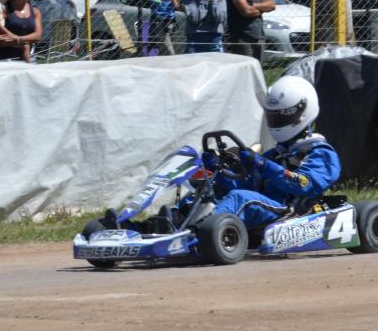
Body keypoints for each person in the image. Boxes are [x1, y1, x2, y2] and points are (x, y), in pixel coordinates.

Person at [103, 76, 341, 233]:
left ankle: (195, 231)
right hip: (264, 205)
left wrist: (262, 165)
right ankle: (148, 228)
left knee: (241, 198)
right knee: (206, 194)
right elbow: (247, 183)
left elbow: (305, 184)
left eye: (282, 117)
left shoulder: (320, 153)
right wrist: (216, 171)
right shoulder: (274, 153)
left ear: (302, 113)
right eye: (274, 117)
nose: (277, 122)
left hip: (289, 212)